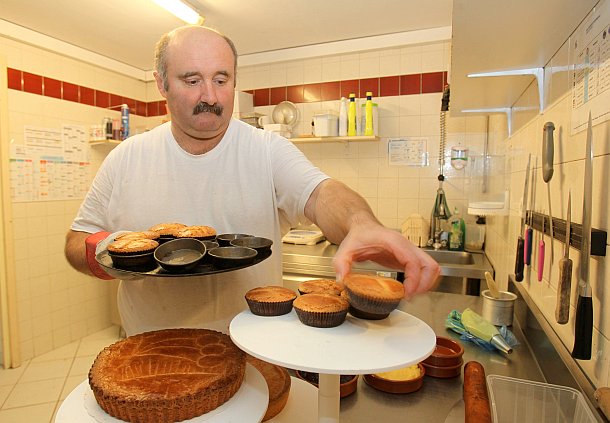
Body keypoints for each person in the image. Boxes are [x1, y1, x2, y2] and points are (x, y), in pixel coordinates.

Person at [64, 25, 439, 336]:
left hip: (252, 350)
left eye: (221, 79)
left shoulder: (266, 150)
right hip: (151, 348)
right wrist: (115, 254)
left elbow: (322, 193)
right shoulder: (125, 159)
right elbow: (77, 240)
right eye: (192, 80)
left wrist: (361, 223)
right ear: (162, 84)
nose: (209, 96)